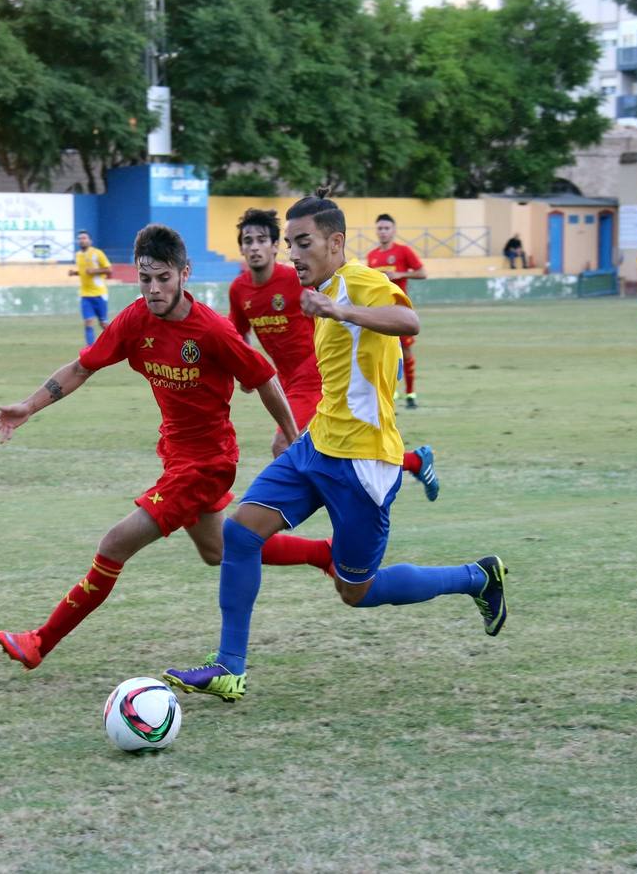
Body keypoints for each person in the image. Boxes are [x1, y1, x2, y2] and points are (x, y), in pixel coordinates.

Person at [163, 191, 507, 703]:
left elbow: (409, 323)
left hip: (363, 465)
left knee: (356, 591)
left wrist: (338, 308)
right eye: (290, 244)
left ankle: (476, 577)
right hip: (316, 446)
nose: (293, 254)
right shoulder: (319, 292)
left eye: (303, 242)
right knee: (240, 533)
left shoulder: (360, 281)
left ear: (336, 242)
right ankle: (229, 667)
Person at [0, 224, 336, 671]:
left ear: (184, 274)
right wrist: (28, 406)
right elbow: (82, 367)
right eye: (145, 278)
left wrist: (291, 436)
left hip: (207, 465)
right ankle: (323, 553)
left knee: (114, 544)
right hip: (176, 457)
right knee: (218, 550)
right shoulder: (135, 320)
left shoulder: (211, 330)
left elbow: (266, 378)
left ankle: (40, 641)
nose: (153, 289)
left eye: (163, 278)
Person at [228, 208, 439, 500]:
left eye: (261, 240)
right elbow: (238, 331)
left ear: (275, 246)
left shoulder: (296, 278)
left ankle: (304, 506)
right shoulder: (239, 289)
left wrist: (381, 349)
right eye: (247, 241)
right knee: (329, 449)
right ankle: (413, 461)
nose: (254, 247)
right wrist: (245, 368)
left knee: (284, 446)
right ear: (240, 248)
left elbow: (342, 296)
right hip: (284, 380)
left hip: (314, 373)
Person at [365, 214, 427, 409]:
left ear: (393, 230)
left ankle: (410, 393)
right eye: (380, 228)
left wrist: (399, 274)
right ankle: (389, 393)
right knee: (381, 353)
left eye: (386, 228)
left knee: (406, 352)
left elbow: (422, 272)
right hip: (380, 312)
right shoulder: (372, 256)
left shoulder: (403, 251)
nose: (383, 232)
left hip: (400, 311)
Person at [68, 230, 112, 346]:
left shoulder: (97, 253)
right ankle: (90, 349)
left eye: (84, 238)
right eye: (80, 238)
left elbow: (109, 270)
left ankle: (117, 342)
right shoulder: (78, 255)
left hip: (99, 294)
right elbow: (84, 272)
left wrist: (94, 271)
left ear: (90, 241)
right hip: (85, 294)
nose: (82, 240)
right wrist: (75, 273)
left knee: (103, 323)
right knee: (88, 321)